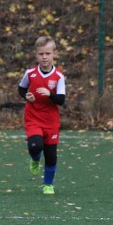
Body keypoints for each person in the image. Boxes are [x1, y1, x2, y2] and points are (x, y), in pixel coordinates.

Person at [18, 35, 66, 195]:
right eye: (41, 54)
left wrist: (49, 94)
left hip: (51, 122)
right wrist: (27, 96)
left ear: (54, 54)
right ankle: (35, 159)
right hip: (33, 117)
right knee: (36, 145)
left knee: (51, 156)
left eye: (48, 54)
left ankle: (48, 185)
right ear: (36, 55)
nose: (44, 57)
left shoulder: (58, 77)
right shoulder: (30, 73)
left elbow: (61, 100)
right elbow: (22, 89)